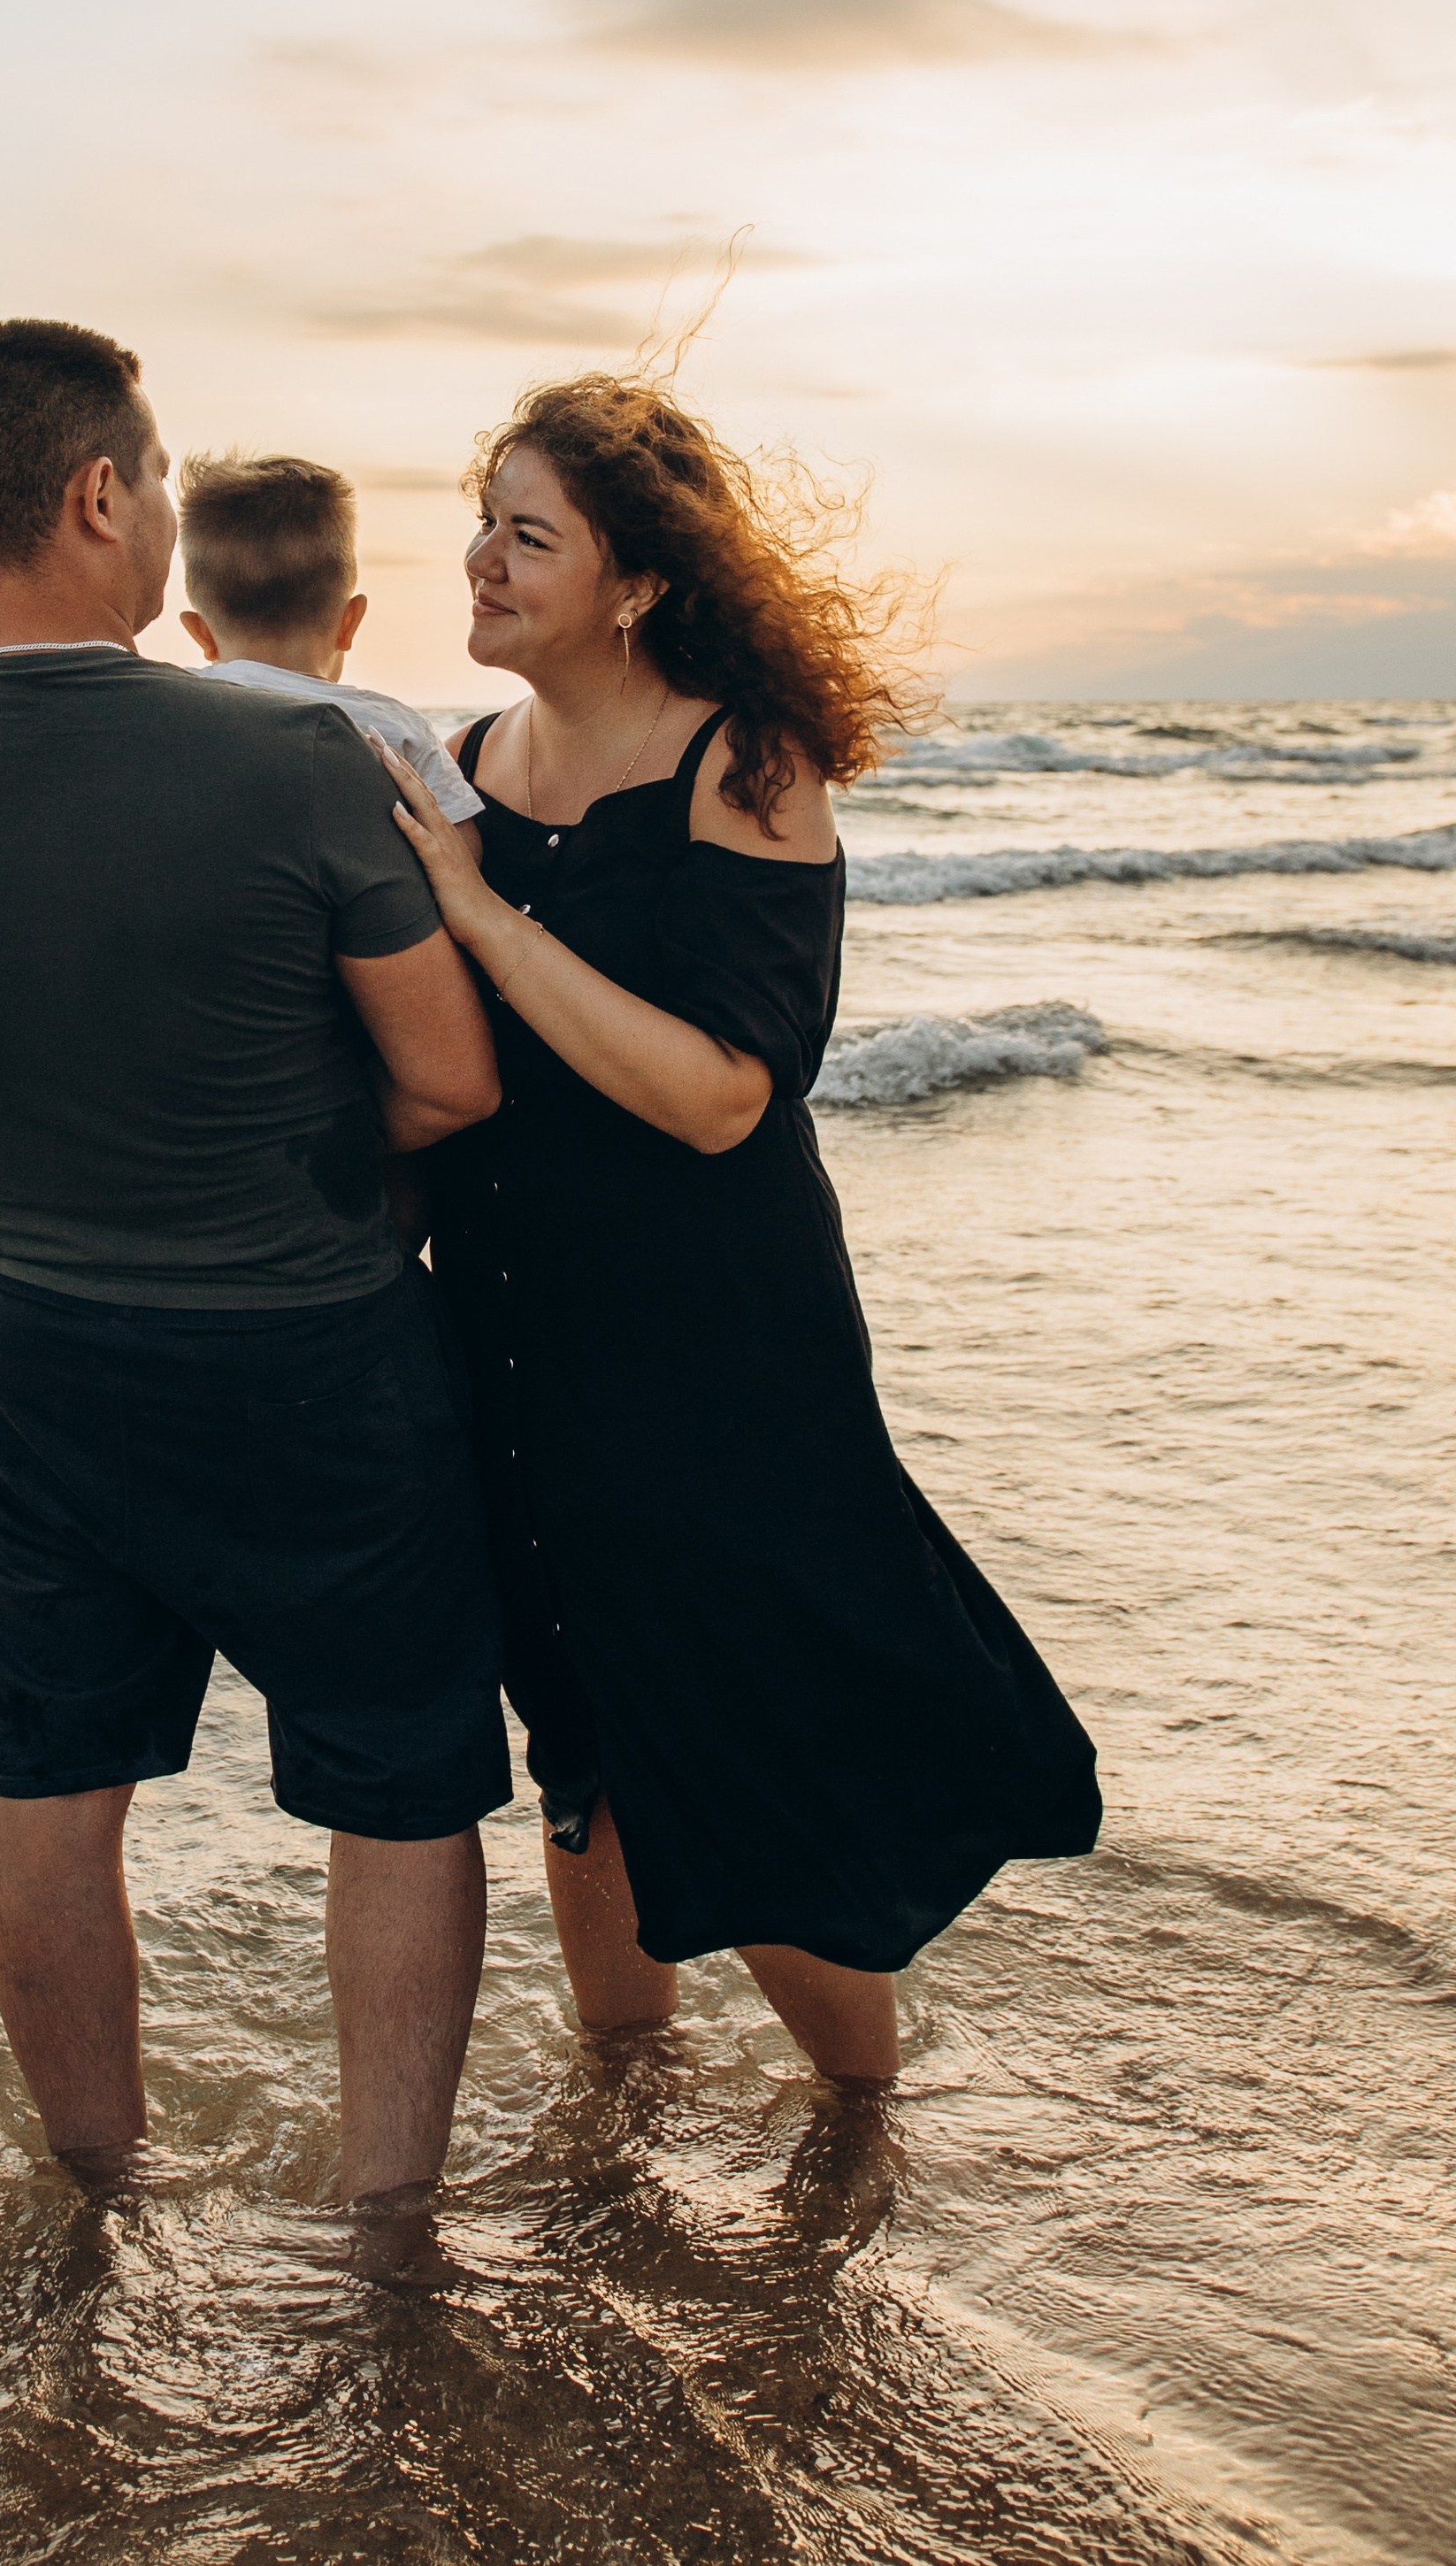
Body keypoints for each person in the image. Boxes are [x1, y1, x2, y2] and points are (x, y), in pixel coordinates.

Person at [0, 319, 510, 2201]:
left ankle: (99, 2191)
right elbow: (445, 1085)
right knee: (395, 1784)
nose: (174, 510)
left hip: (24, 1346)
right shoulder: (289, 751)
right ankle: (384, 2221)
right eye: (164, 477)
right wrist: (273, 1146)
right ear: (97, 492)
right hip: (306, 1350)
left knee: (49, 1790)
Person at [379, 368, 1102, 2086]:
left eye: (523, 532)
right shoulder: (461, 762)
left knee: (733, 1736)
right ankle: (619, 2120)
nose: (477, 558)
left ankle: (863, 2130)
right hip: (503, 1331)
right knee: (578, 1746)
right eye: (477, 522)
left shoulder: (744, 765)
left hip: (707, 1353)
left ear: (632, 579)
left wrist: (475, 917)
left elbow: (719, 1092)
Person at [175, 450, 485, 852]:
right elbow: (464, 852)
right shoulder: (397, 730)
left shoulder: (173, 706)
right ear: (350, 621)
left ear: (200, 633)